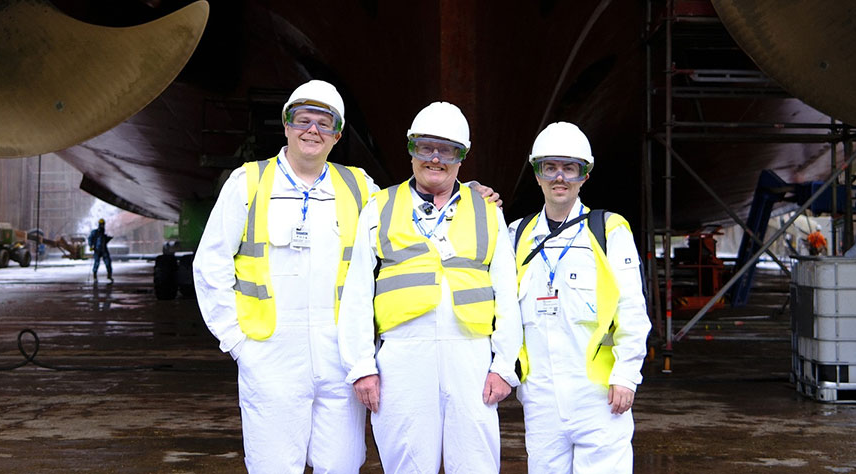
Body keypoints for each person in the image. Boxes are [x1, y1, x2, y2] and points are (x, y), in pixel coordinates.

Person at [192, 81, 501, 472]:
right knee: (273, 465)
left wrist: (464, 191)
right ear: (286, 125)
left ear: (338, 134)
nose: (312, 131)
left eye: (325, 124)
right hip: (270, 351)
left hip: (338, 354)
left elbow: (412, 201)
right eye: (303, 120)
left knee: (341, 463)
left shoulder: (358, 187)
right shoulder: (249, 183)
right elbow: (210, 265)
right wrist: (237, 342)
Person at [338, 101, 521, 473]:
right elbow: (356, 293)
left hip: (470, 355)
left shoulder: (488, 209)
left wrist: (504, 366)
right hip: (402, 357)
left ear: (462, 157)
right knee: (406, 463)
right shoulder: (380, 206)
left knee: (475, 464)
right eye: (425, 147)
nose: (435, 158)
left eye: (447, 149)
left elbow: (507, 292)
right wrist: (361, 366)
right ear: (411, 150)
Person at [508, 122, 652, 474]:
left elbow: (632, 308)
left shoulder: (609, 231)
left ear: (585, 176)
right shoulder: (515, 235)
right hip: (540, 397)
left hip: (599, 397)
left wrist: (626, 375)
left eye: (570, 168)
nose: (560, 178)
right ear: (537, 174)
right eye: (550, 167)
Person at [88, 218, 113, 282]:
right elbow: (90, 239)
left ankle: (109, 275)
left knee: (108, 263)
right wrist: (91, 246)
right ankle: (95, 276)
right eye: (101, 224)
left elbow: (104, 241)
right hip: (97, 250)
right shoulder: (95, 232)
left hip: (104, 250)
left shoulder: (103, 233)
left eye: (103, 224)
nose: (102, 226)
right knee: (96, 263)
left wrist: (108, 238)